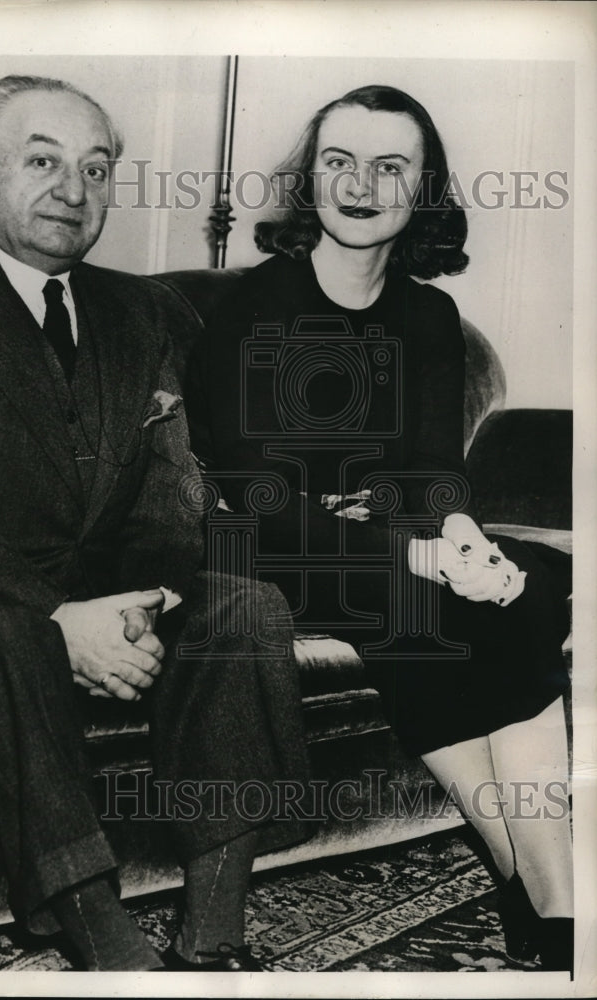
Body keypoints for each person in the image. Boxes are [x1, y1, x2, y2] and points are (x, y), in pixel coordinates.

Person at [0, 74, 312, 972]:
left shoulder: (146, 311)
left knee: (243, 609)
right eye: (43, 161)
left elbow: (174, 490)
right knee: (7, 635)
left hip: (103, 588)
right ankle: (105, 944)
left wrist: (142, 605)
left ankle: (213, 932)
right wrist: (62, 620)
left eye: (96, 169)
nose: (74, 189)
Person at [187, 85, 573, 972]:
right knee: (412, 595)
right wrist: (423, 554)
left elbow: (432, 471)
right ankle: (546, 892)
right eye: (339, 161)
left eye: (390, 166)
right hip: (266, 542)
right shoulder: (253, 308)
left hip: (387, 545)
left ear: (424, 188)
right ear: (309, 178)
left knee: (526, 583)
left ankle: (543, 892)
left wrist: (467, 540)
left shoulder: (428, 316)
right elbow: (259, 491)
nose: (361, 185)